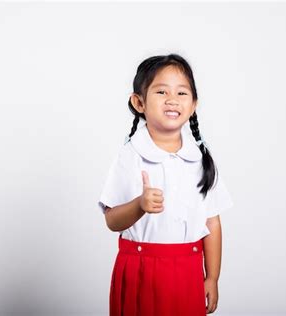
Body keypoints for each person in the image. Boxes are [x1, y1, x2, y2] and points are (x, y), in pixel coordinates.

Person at [97, 53, 234, 316]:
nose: (172, 99)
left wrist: (212, 277)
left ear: (194, 104)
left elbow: (212, 222)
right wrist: (139, 205)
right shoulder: (131, 155)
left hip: (188, 272)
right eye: (161, 91)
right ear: (139, 102)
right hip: (141, 269)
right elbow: (112, 220)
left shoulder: (201, 159)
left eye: (182, 93)